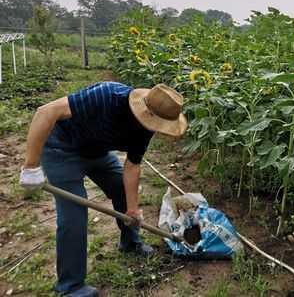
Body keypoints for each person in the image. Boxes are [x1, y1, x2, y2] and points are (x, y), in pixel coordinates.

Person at [20, 82, 188, 297]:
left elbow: (132, 165)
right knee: (73, 216)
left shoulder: (147, 127)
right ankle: (71, 286)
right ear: (146, 110)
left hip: (96, 152)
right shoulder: (106, 96)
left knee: (122, 191)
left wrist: (133, 210)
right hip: (61, 148)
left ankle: (130, 243)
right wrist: (31, 165)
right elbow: (46, 111)